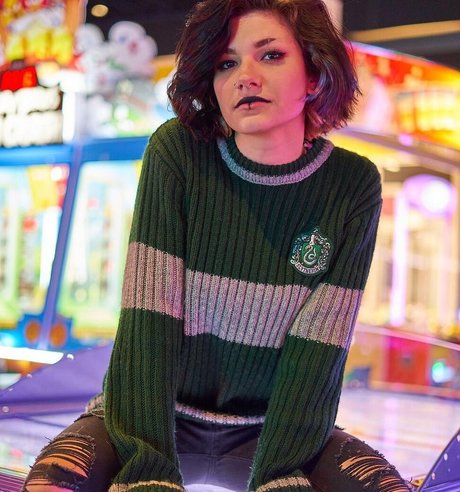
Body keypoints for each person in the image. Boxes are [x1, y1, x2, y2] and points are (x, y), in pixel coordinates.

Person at [23, 0, 415, 491]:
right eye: (226, 63)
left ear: (315, 73)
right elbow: (149, 319)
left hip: (273, 432)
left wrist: (280, 475)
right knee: (52, 483)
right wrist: (147, 469)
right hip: (152, 416)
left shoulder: (352, 185)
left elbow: (319, 351)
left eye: (270, 55)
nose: (245, 77)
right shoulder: (178, 152)